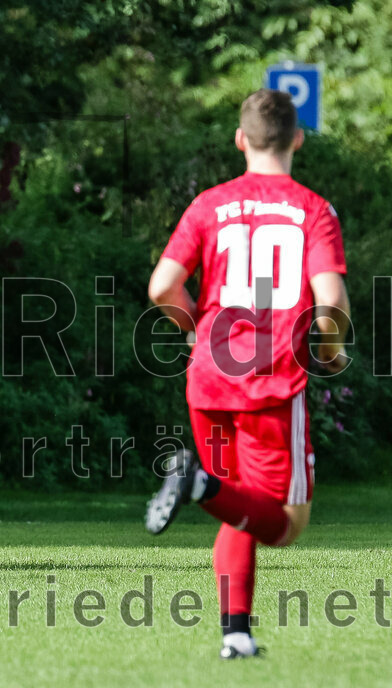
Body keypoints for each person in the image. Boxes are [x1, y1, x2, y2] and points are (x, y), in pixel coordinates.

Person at [144, 90, 349, 659]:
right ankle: (199, 484)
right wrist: (329, 350)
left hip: (209, 377)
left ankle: (235, 635)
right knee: (285, 524)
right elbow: (330, 301)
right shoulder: (312, 208)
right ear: (298, 138)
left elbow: (162, 286)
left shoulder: (210, 204)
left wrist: (195, 329)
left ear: (240, 139)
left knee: (239, 502)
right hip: (273, 382)